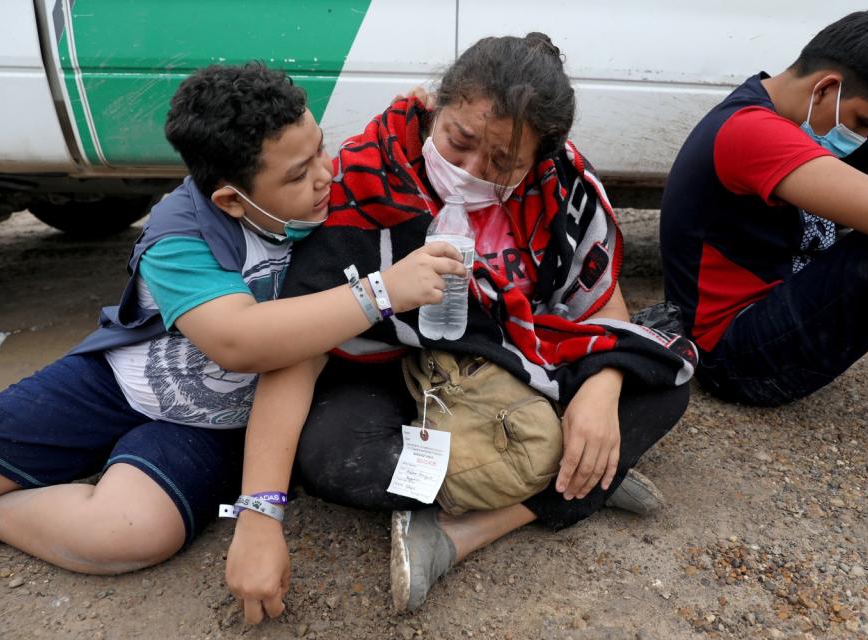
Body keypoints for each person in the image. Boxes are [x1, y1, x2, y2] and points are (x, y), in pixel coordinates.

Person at [226, 34, 697, 619]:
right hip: (391, 380)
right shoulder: (360, 185)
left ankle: (464, 531)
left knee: (663, 382)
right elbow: (298, 357)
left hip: (517, 371)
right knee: (333, 455)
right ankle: (584, 477)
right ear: (432, 105)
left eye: (503, 164)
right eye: (459, 140)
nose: (470, 171)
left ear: (540, 160)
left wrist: (601, 393)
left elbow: (603, 313)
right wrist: (259, 513)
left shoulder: (561, 189)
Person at [0, 63, 465, 576]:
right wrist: (382, 292)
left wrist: (422, 111)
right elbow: (240, 341)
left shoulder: (333, 192)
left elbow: (405, 134)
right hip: (113, 385)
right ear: (232, 200)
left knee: (127, 532)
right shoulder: (177, 236)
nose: (327, 174)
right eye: (299, 174)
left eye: (321, 147)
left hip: (223, 427)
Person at [660, 8, 868, 407]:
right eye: (862, 121)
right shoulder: (751, 131)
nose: (861, 137)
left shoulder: (811, 117)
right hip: (733, 353)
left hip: (781, 309)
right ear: (826, 88)